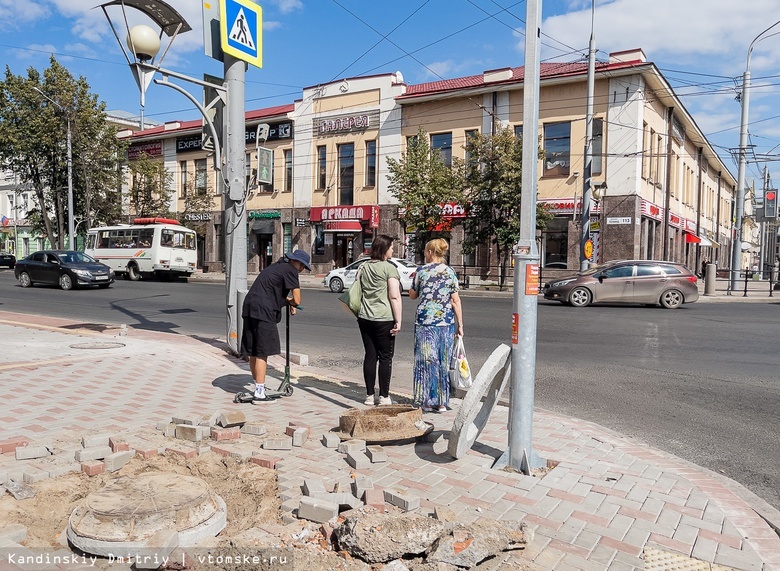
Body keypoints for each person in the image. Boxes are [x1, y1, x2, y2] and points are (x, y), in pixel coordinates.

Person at [241, 250, 310, 400]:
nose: (301, 268)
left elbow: (274, 291)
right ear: (293, 261)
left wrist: (286, 302)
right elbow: (297, 300)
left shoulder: (275, 267)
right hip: (263, 311)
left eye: (304, 267)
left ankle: (258, 386)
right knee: (262, 351)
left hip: (249, 306)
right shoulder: (291, 271)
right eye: (301, 265)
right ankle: (259, 393)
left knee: (253, 350)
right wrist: (292, 303)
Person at [409, 239, 463, 413]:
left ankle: (426, 401)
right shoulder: (450, 272)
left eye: (425, 251)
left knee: (426, 361)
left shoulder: (421, 271)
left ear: (431, 252)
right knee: (442, 361)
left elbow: (412, 295)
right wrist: (459, 325)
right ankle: (441, 402)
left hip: (425, 323)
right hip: (445, 322)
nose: (425, 255)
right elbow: (455, 300)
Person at [356, 234, 402, 406]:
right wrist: (398, 320)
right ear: (384, 249)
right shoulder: (389, 268)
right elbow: (394, 296)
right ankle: (384, 396)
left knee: (370, 355)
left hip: (364, 317)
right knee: (385, 357)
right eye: (391, 247)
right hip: (384, 318)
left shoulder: (363, 267)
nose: (392, 250)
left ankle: (369, 396)